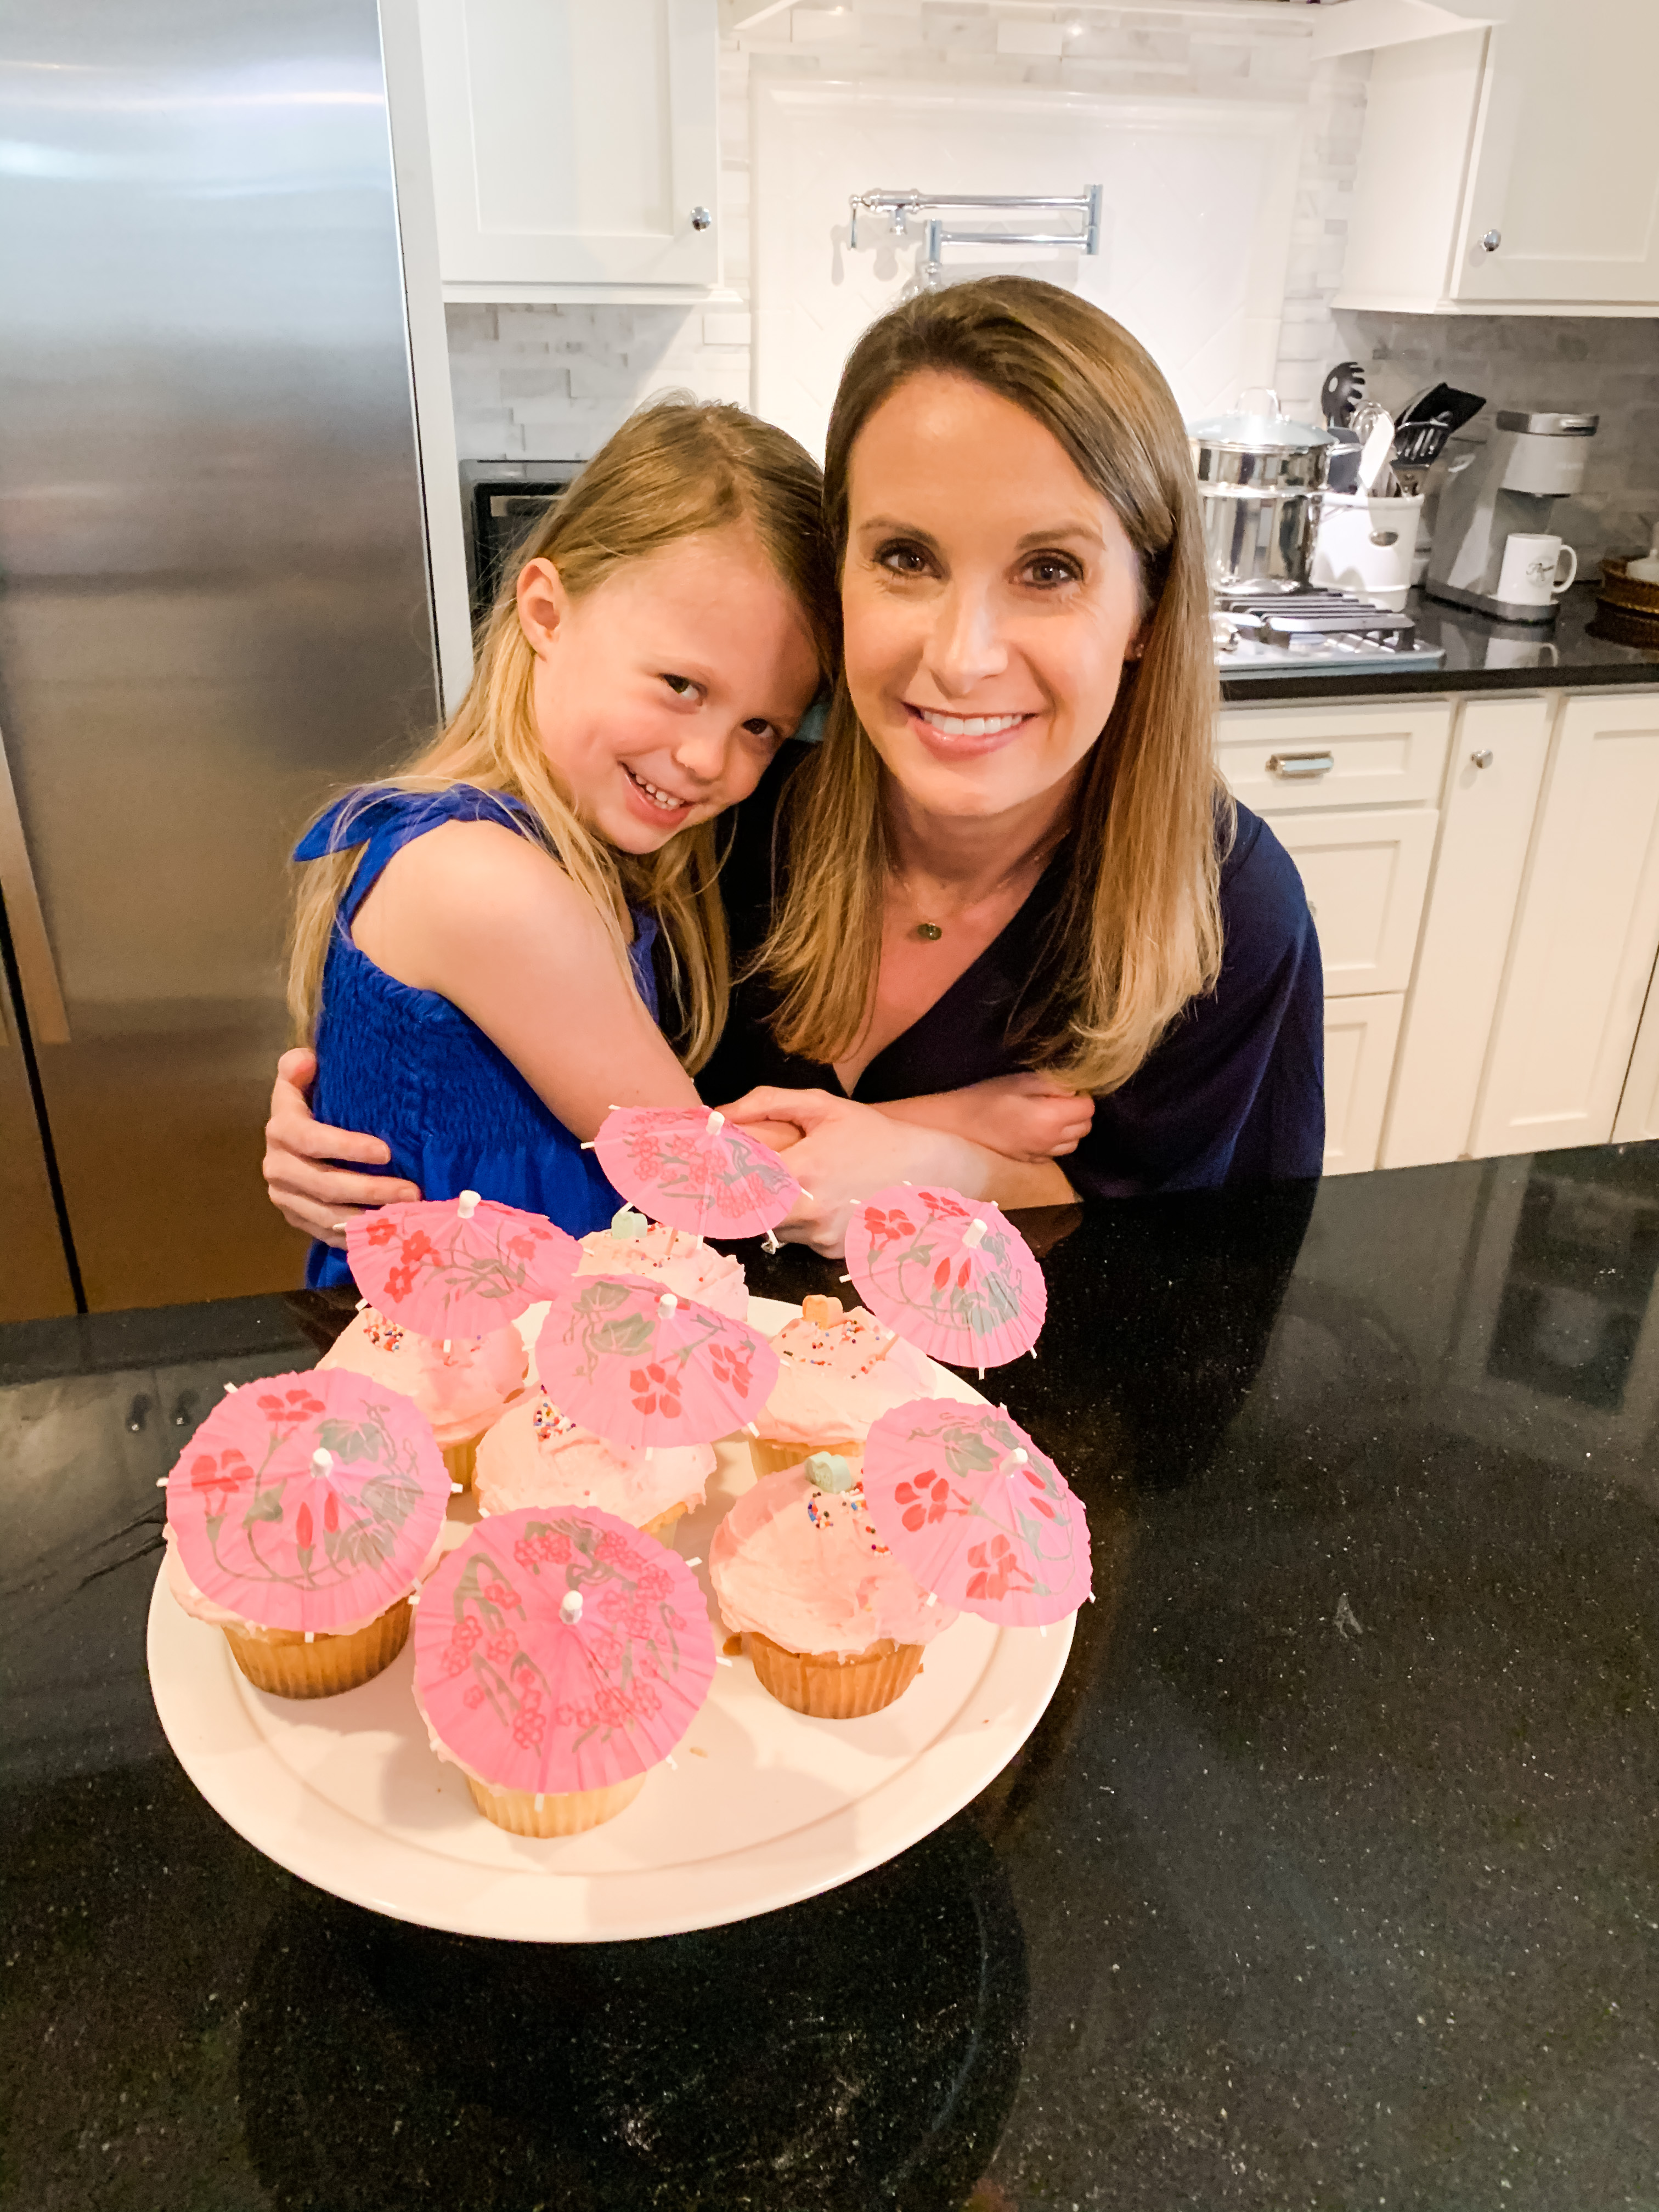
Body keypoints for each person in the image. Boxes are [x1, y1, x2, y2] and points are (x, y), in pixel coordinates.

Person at [265, 279, 1321, 1259]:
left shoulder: (1229, 915)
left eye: (1051, 570)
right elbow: (640, 1138)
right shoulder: (724, 814)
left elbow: (1200, 1297)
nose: (962, 657)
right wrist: (361, 1104)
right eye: (907, 557)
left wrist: (939, 1161)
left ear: (1148, 607)